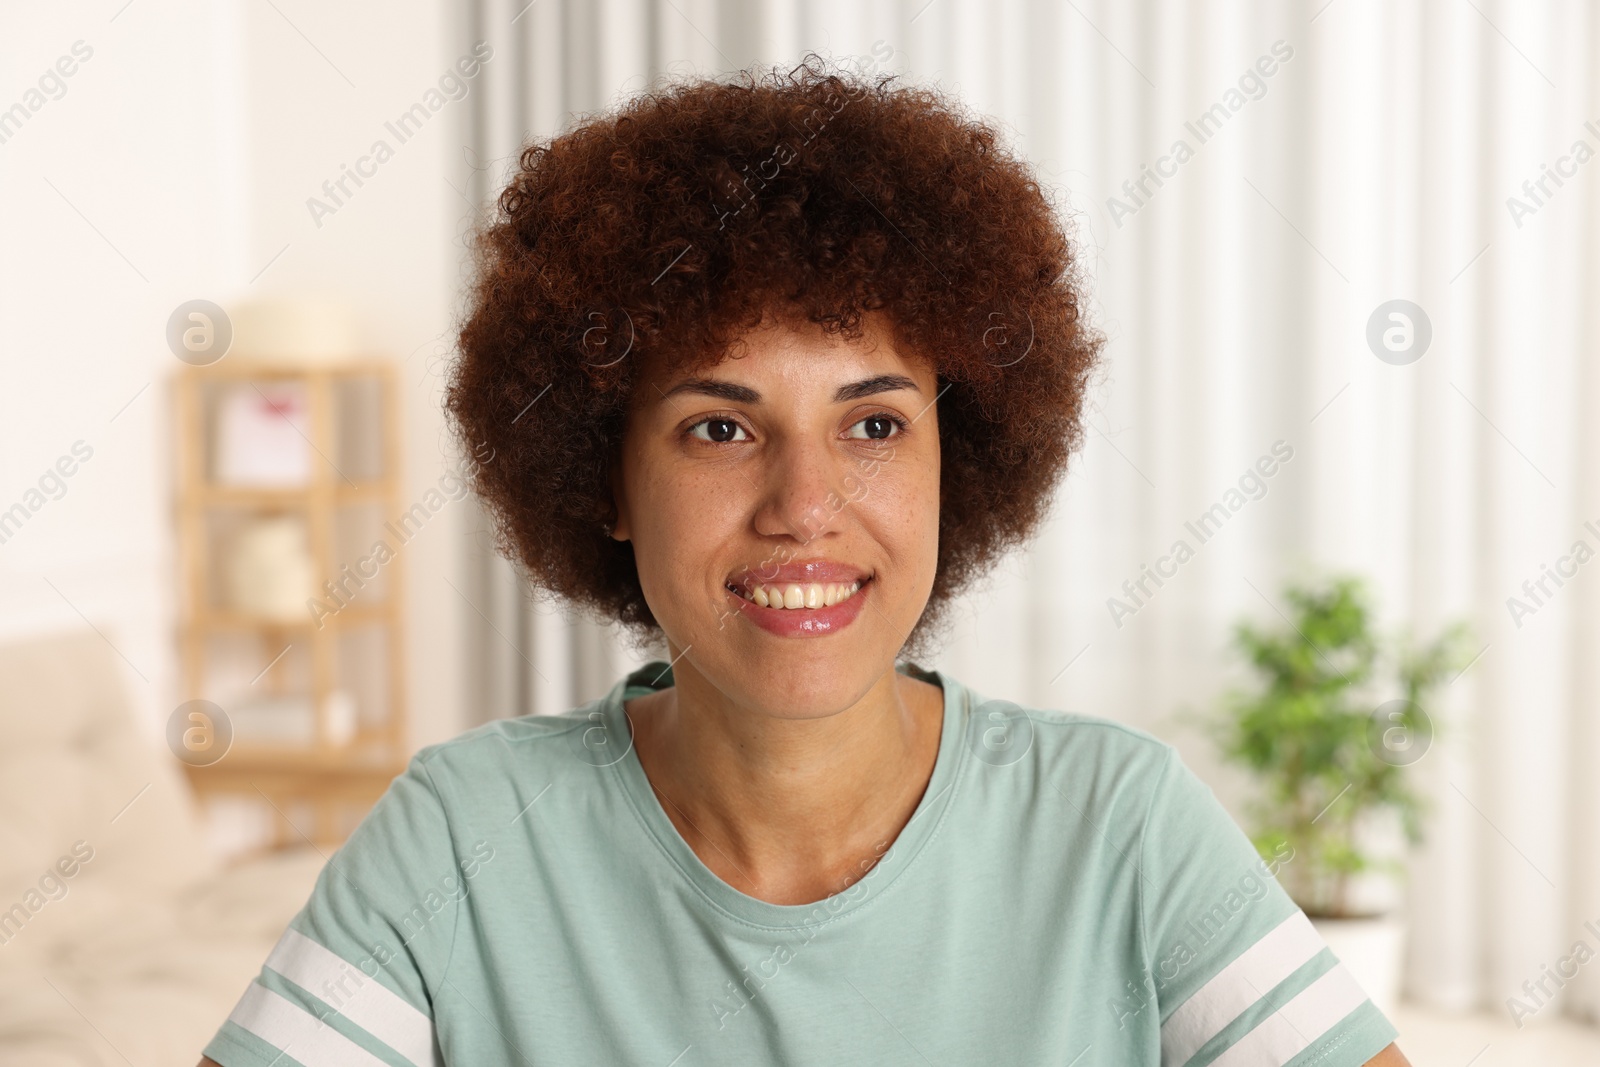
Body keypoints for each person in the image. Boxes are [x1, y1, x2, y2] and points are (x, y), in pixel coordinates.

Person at [197, 56, 1409, 1067]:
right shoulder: (466, 835)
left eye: (873, 423)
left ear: (958, 456)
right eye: (719, 427)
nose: (804, 504)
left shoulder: (1114, 823)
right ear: (606, 479)